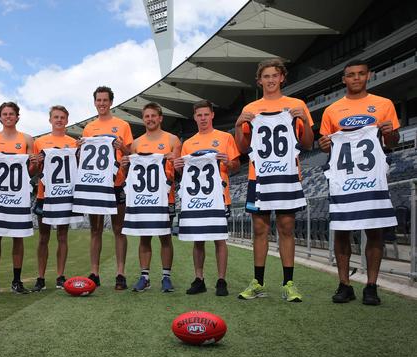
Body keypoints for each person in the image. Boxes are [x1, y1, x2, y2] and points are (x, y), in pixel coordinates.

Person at [318, 59, 400, 305]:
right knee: (342, 233)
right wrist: (324, 146)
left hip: (372, 179)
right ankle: (344, 284)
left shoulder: (383, 105)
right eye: (351, 75)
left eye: (360, 74)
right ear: (344, 79)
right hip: (344, 181)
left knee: (374, 231)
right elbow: (327, 148)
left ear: (368, 76)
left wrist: (389, 133)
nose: (356, 78)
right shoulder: (332, 110)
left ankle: (371, 286)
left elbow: (393, 142)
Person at [234, 58, 314, 302]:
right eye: (265, 76)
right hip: (258, 177)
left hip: (287, 174)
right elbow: (242, 147)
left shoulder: (296, 105)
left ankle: (289, 283)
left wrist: (303, 120)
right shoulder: (251, 108)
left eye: (274, 75)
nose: (270, 80)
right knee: (259, 229)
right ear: (259, 80)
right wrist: (239, 125)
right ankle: (258, 282)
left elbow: (308, 143)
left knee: (286, 228)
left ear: (282, 78)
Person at [173, 100, 240, 296]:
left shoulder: (225, 137)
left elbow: (235, 166)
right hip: (196, 199)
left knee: (220, 239)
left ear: (212, 115)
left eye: (205, 114)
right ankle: (199, 278)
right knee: (198, 240)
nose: (202, 118)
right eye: (199, 115)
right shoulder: (188, 143)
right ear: (194, 117)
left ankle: (221, 280)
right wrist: (178, 168)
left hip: (218, 197)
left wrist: (228, 162)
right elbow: (183, 174)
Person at [121, 102, 180, 292]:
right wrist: (125, 163)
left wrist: (174, 161)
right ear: (143, 119)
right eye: (147, 116)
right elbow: (132, 171)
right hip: (142, 197)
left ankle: (166, 277)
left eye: (154, 115)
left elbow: (179, 170)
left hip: (164, 197)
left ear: (160, 117)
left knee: (165, 236)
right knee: (144, 237)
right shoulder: (137, 143)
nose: (150, 119)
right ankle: (145, 277)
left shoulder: (172, 140)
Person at [79, 86, 133, 290]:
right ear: (94, 102)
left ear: (111, 102)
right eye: (98, 100)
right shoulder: (89, 128)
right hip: (95, 185)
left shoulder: (123, 125)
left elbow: (130, 152)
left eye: (105, 100)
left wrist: (122, 148)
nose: (101, 104)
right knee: (95, 230)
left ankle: (120, 273)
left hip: (116, 183)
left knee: (119, 229)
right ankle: (95, 272)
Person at [0, 102, 35, 295]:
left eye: (11, 114)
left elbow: (31, 171)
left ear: (17, 116)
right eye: (5, 114)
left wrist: (35, 163)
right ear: (0, 117)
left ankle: (17, 281)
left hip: (19, 196)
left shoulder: (27, 139)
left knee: (18, 238)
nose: (8, 116)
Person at [30, 105, 79, 291]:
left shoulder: (74, 143)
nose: (59, 120)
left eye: (62, 117)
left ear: (67, 120)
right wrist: (35, 163)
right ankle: (40, 277)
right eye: (56, 117)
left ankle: (60, 275)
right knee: (43, 237)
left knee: (62, 236)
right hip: (45, 195)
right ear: (50, 120)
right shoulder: (40, 142)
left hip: (65, 195)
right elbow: (33, 171)